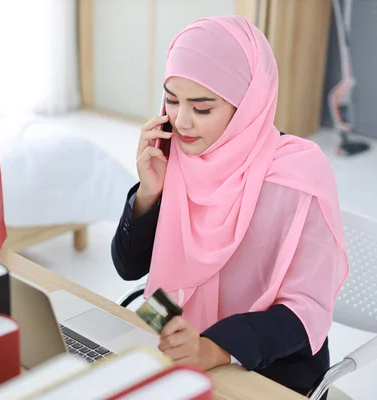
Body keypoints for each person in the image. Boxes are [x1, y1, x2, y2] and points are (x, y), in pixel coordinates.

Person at [111, 15, 349, 398]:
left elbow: (307, 309)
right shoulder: (174, 155)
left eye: (202, 109)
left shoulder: (297, 175)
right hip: (169, 337)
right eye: (171, 101)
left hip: (267, 365)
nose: (182, 122)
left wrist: (215, 347)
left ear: (249, 105)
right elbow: (129, 269)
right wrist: (148, 194)